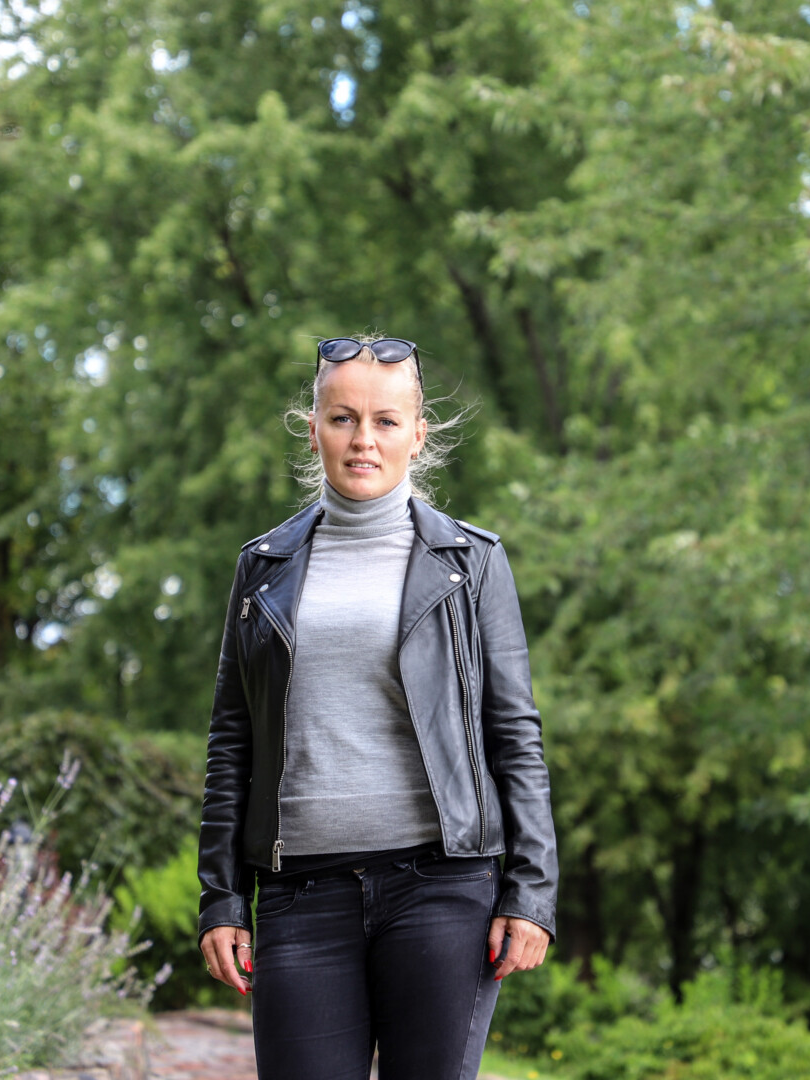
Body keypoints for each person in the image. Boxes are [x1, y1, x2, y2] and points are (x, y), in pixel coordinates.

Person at [196, 334, 559, 1080]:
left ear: (417, 434)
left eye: (386, 421)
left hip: (444, 889)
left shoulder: (472, 563)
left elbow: (514, 734)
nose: (364, 439)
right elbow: (231, 741)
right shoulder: (262, 568)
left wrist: (531, 891)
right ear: (314, 429)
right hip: (299, 895)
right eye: (343, 418)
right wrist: (222, 898)